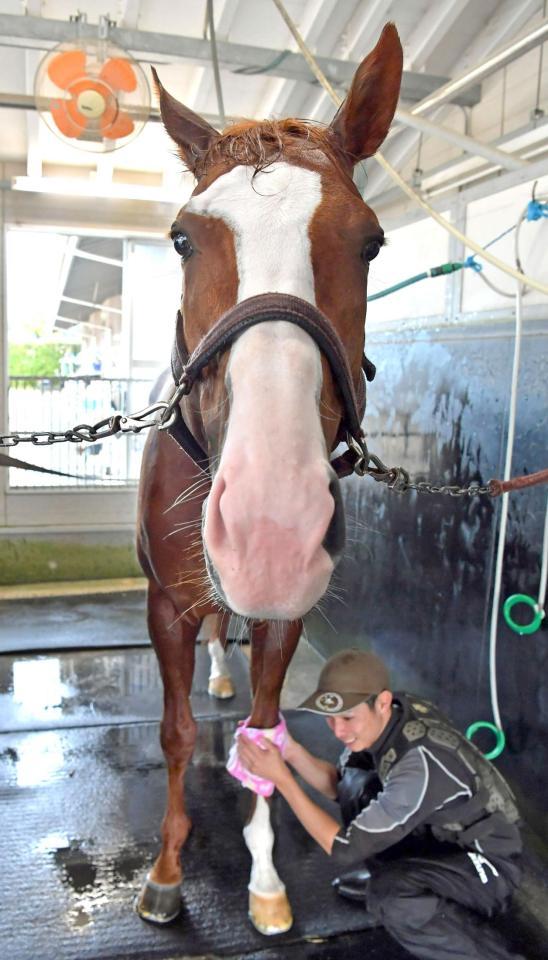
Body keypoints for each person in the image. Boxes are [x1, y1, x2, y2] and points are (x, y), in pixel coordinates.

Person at [237, 648, 526, 960]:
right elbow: (338, 784)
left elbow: (345, 848)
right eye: (330, 719)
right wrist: (289, 750)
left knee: (392, 897)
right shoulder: (390, 715)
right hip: (444, 838)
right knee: (355, 785)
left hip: (490, 865)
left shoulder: (420, 765)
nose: (338, 730)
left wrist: (283, 780)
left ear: (383, 702)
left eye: (348, 717)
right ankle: (407, 876)